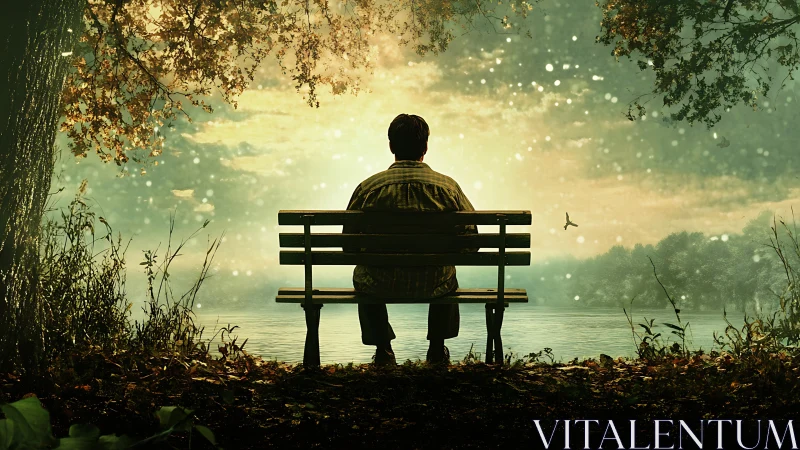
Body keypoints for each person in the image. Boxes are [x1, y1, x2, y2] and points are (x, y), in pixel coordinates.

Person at [344, 114, 478, 366]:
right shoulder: (448, 187)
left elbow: (348, 244)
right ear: (425, 147)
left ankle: (383, 349)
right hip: (434, 281)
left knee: (363, 276)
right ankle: (437, 349)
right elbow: (471, 240)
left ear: (391, 146)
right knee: (448, 274)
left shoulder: (368, 187)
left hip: (379, 281)